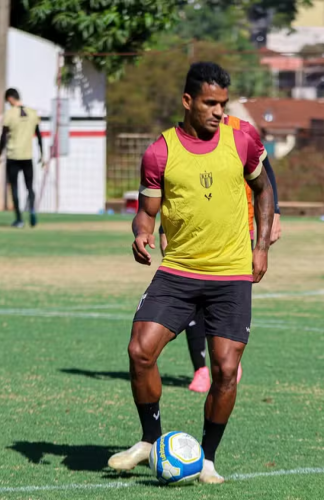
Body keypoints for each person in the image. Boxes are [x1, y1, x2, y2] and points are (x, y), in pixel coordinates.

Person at [108, 62, 274, 484]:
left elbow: (264, 188)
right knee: (139, 350)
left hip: (232, 274)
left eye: (223, 103)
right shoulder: (160, 151)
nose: (219, 111)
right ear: (187, 101)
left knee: (224, 370)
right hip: (178, 271)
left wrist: (261, 245)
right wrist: (142, 234)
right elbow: (146, 213)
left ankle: (209, 460)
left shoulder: (241, 140)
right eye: (209, 103)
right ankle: (149, 439)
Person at [158, 115, 282, 393]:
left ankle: (224, 360)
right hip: (193, 233)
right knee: (193, 298)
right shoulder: (182, 136)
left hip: (238, 231)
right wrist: (162, 228)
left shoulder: (243, 131)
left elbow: (266, 175)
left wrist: (275, 214)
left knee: (221, 297)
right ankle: (200, 369)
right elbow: (175, 187)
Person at [0, 88, 43, 228]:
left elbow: (3, 136)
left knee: (15, 187)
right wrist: (42, 154)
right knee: (30, 187)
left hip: (13, 155)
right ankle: (31, 210)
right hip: (27, 155)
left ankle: (19, 219)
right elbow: (39, 135)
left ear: (11, 99)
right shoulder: (32, 113)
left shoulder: (10, 114)